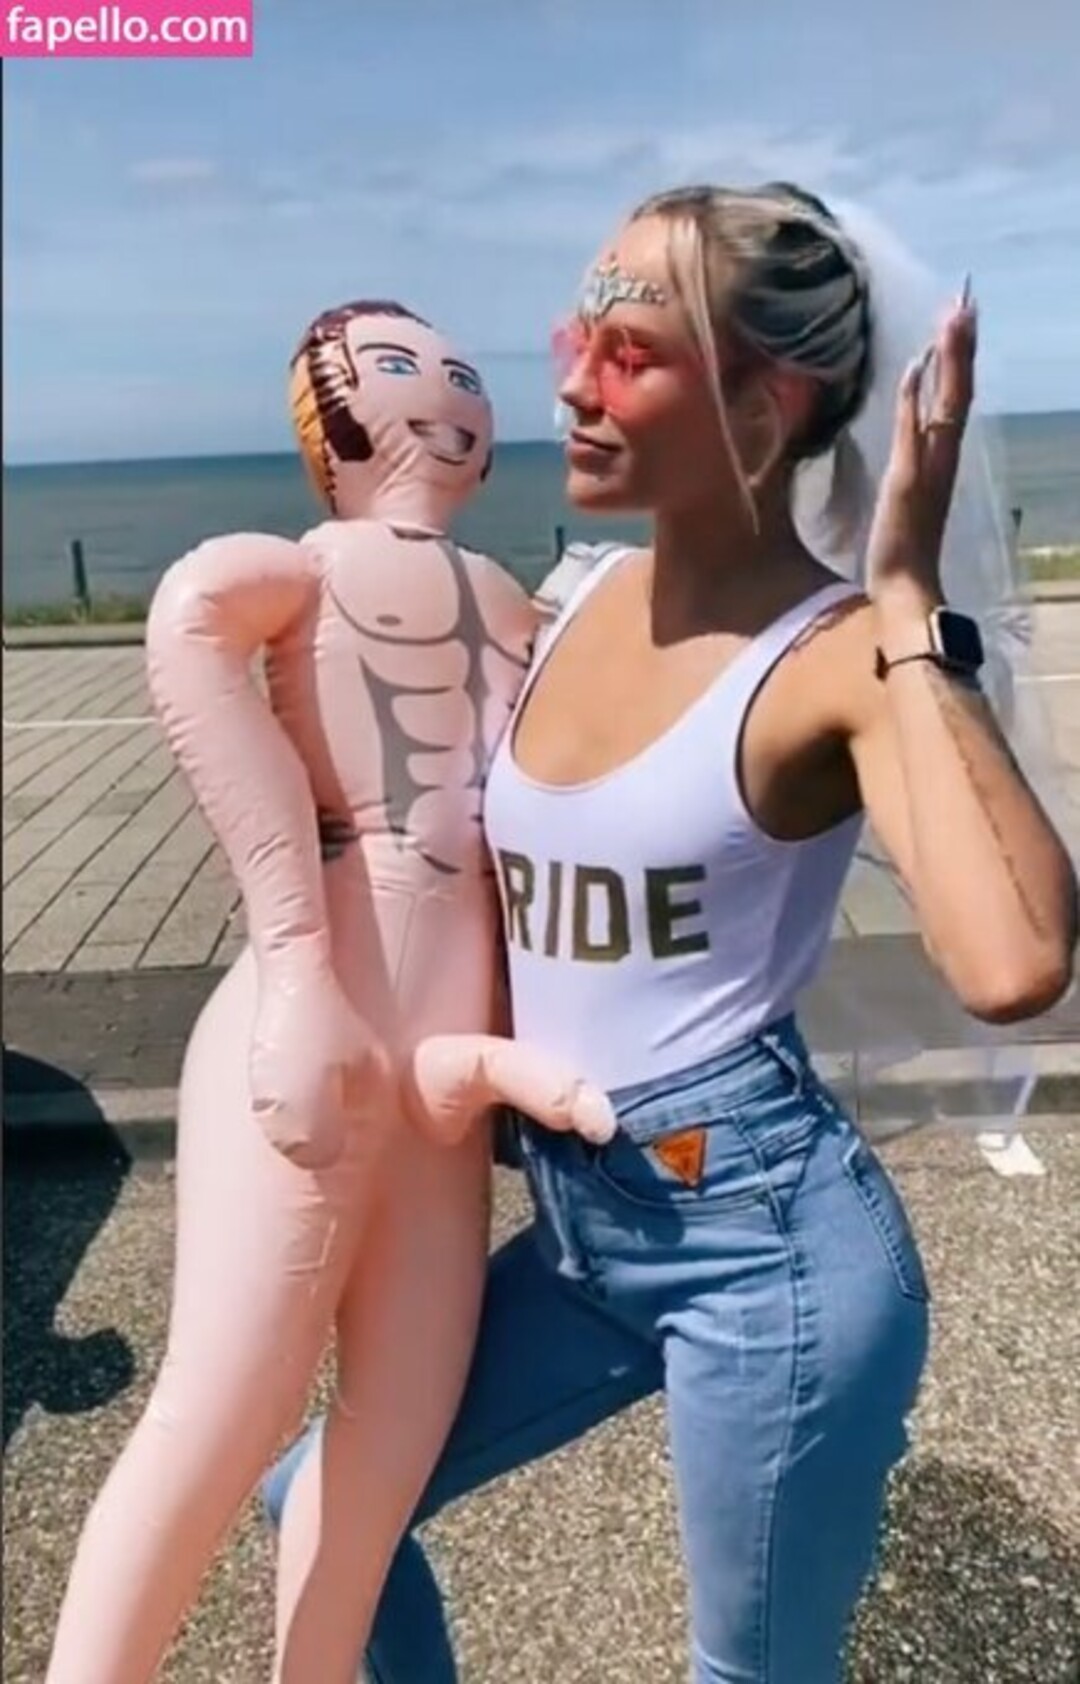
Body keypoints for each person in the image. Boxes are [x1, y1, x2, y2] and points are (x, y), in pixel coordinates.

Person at [264, 183, 1077, 1684]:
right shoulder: (576, 600)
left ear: (766, 406)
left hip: (763, 1246)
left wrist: (906, 595)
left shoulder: (838, 656)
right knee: (314, 1510)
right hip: (584, 1222)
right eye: (577, 336)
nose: (571, 382)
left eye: (628, 352)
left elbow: (1014, 959)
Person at [43, 301, 609, 1684]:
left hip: (445, 1081)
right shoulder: (299, 570)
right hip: (306, 1027)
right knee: (221, 1415)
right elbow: (191, 625)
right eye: (399, 368)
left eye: (460, 372)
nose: (447, 395)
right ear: (332, 415)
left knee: (395, 1432)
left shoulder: (518, 603)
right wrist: (296, 954)